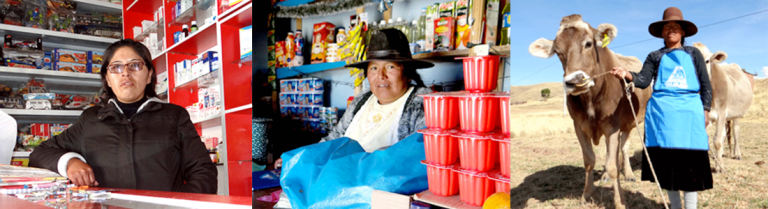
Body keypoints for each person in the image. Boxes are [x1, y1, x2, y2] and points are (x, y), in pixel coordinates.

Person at [29, 39, 217, 194]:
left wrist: (177, 206)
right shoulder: (91, 119)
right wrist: (70, 162)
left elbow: (204, 173)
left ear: (149, 74)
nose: (125, 73)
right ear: (108, 80)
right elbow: (39, 154)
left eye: (135, 65)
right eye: (116, 67)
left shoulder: (174, 116)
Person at [273, 28, 434, 208]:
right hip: (340, 182)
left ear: (408, 72)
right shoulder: (362, 100)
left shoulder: (423, 102)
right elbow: (334, 139)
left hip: (378, 194)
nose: (381, 76)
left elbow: (415, 159)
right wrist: (299, 158)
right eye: (373, 67)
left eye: (390, 66)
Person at [610, 7, 713, 209]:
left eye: (676, 26)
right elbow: (643, 80)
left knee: (690, 165)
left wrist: (706, 109)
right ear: (662, 32)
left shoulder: (694, 54)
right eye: (667, 26)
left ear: (683, 32)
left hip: (690, 114)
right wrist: (627, 74)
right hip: (663, 116)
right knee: (669, 167)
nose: (671, 29)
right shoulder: (655, 56)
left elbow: (706, 84)